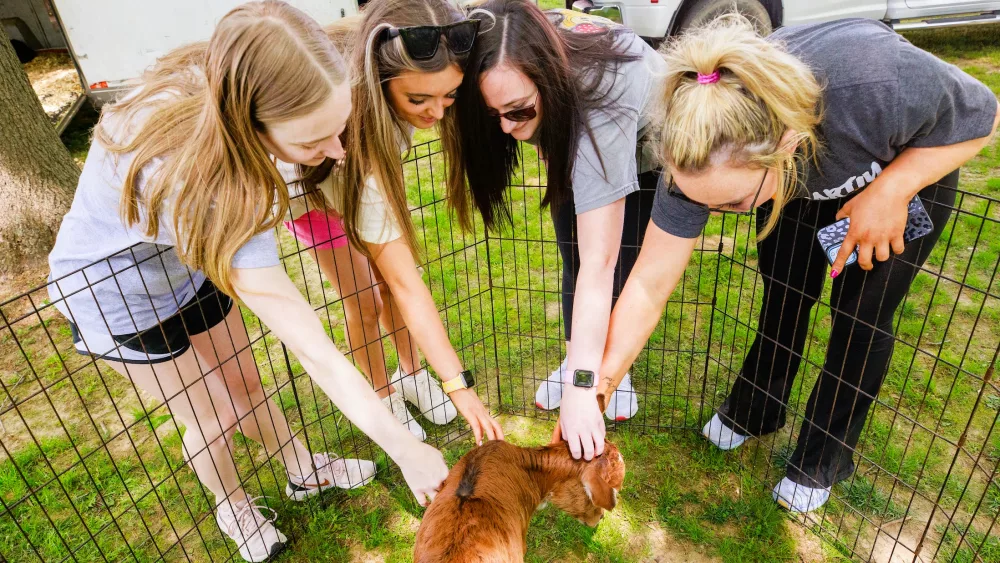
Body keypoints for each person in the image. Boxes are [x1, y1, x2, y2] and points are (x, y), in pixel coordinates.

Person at [46, 3, 449, 561]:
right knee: (214, 414)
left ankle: (302, 469)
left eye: (338, 131)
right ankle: (232, 503)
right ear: (249, 122)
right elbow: (312, 346)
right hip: (115, 297)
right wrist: (405, 449)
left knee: (249, 387)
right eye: (313, 143)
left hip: (189, 268)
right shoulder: (203, 184)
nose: (335, 153)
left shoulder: (234, 79)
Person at [587, 16, 999, 512]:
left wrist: (891, 190)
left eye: (735, 204)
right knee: (784, 288)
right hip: (790, 184)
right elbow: (649, 285)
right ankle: (756, 408)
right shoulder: (696, 150)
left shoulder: (875, 81)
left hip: (902, 168)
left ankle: (823, 455)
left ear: (785, 146)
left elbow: (982, 116)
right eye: (705, 204)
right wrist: (598, 385)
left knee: (861, 315)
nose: (720, 218)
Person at [450, 1, 668, 459]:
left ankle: (610, 370)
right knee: (572, 249)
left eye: (518, 112)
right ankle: (577, 359)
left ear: (548, 78)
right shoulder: (505, 41)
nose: (508, 130)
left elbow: (600, 261)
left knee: (613, 258)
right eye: (494, 116)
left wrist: (585, 389)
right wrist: (537, 126)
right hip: (572, 122)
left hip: (646, 146)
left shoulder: (600, 100)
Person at [281, 0, 504, 445]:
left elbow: (400, 280)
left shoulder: (397, 97)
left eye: (449, 96)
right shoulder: (349, 128)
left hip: (362, 174)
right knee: (363, 298)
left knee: (391, 285)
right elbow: (406, 279)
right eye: (417, 99)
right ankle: (384, 394)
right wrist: (459, 384)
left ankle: (413, 374)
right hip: (308, 193)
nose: (436, 114)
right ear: (379, 77)